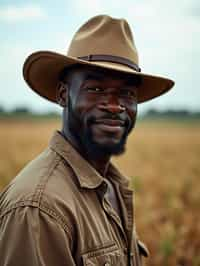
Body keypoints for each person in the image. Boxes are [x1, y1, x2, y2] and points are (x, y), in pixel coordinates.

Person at [0, 15, 174, 266]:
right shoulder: (38, 209)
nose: (114, 106)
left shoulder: (113, 186)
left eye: (126, 93)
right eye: (95, 89)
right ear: (63, 95)